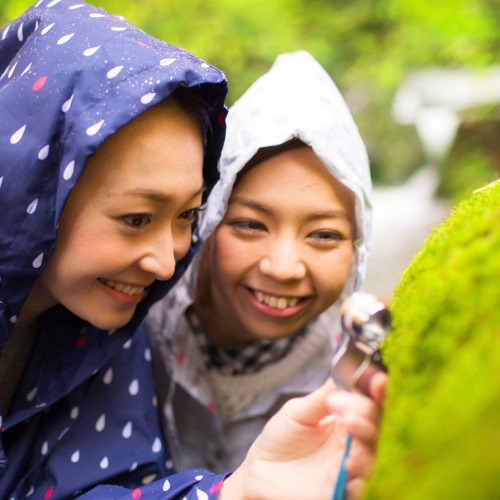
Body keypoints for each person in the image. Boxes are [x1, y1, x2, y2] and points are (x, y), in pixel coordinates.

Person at [0, 1, 384, 497]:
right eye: (136, 219)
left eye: (187, 216)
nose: (166, 263)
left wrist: (240, 491)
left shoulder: (101, 334)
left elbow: (106, 484)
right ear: (33, 186)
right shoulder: (133, 322)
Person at [146, 48, 379, 479]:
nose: (284, 267)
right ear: (207, 221)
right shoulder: (128, 326)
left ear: (358, 246)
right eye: (251, 225)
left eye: (324, 234)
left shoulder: (355, 376)